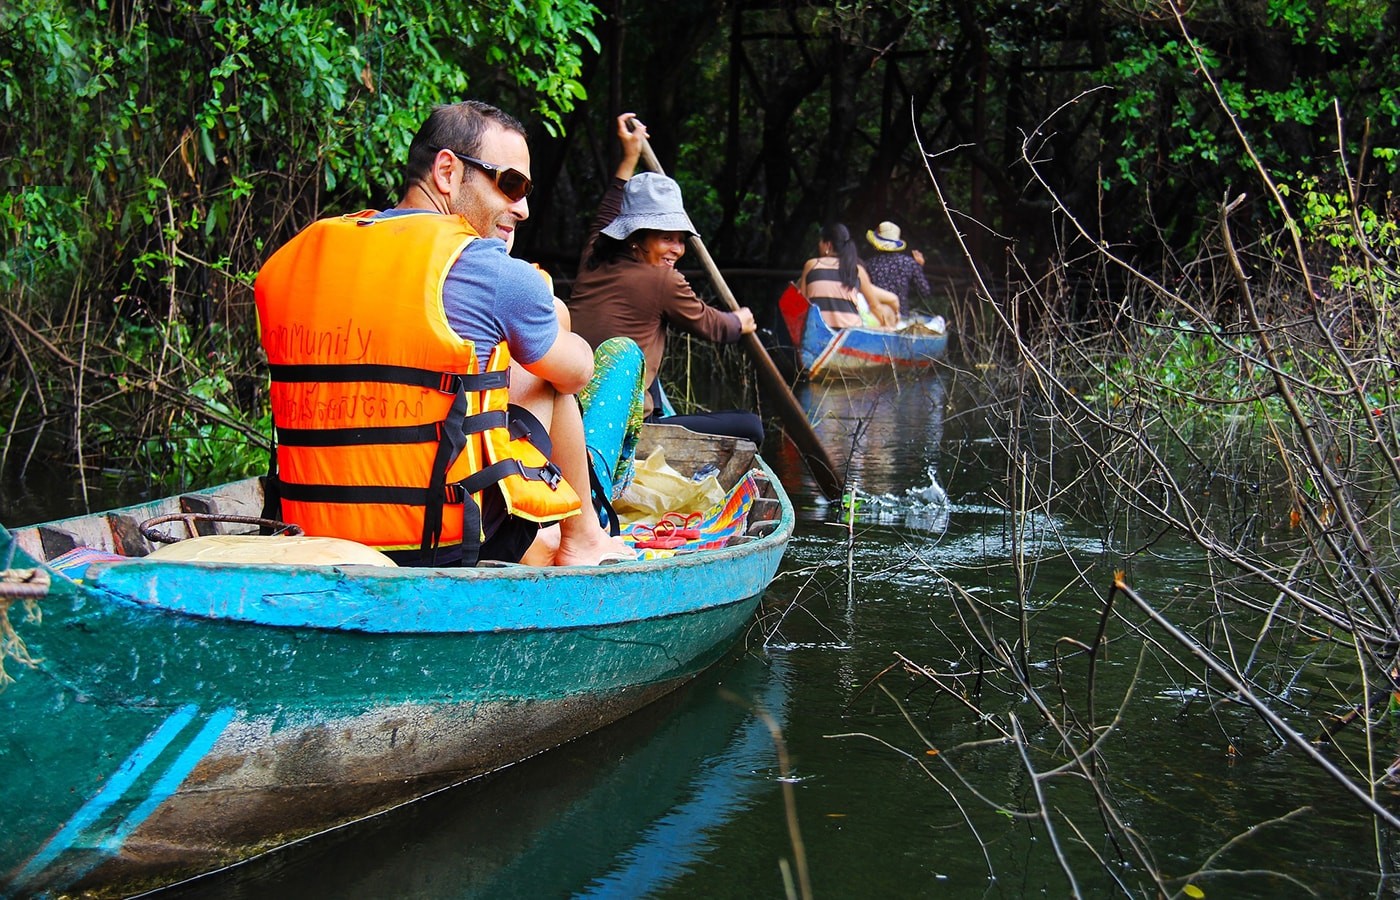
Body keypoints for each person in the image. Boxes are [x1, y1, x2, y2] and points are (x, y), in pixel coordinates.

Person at [254, 100, 633, 567]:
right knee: (550, 374)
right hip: (441, 541)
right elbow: (577, 372)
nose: (524, 208)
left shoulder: (299, 257)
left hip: (308, 527)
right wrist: (550, 311)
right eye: (511, 184)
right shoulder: (491, 269)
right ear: (448, 171)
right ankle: (584, 542)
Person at [568, 113, 764, 446]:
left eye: (680, 239)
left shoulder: (593, 257)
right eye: (665, 238)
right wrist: (739, 322)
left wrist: (630, 156)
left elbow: (607, 209)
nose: (676, 249)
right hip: (623, 425)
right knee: (752, 427)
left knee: (649, 380)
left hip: (572, 413)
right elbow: (712, 326)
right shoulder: (663, 281)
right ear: (636, 238)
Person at [797, 223, 899, 329]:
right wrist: (889, 328)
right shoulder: (856, 269)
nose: (819, 245)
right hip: (850, 334)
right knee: (887, 313)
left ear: (828, 245)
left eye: (820, 242)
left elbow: (803, 304)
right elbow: (875, 306)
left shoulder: (811, 265)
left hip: (817, 330)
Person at [863, 221, 931, 318]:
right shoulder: (909, 263)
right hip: (901, 315)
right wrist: (919, 268)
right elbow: (925, 291)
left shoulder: (869, 265)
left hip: (877, 316)